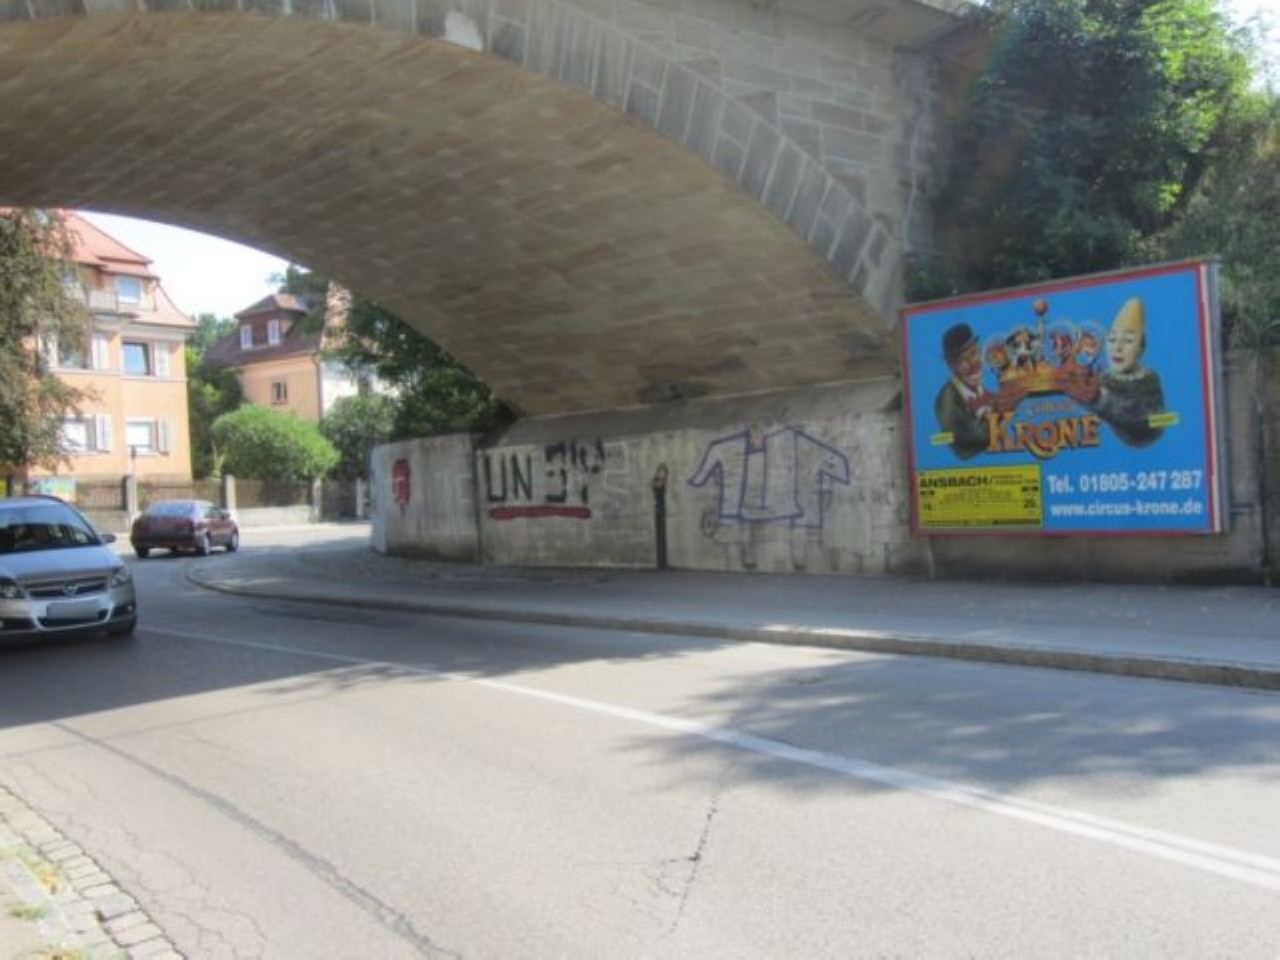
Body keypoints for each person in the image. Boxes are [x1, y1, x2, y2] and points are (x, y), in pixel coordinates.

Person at [1063, 298, 1165, 447]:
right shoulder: (1104, 378)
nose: (1117, 348)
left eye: (1128, 340)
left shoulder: (1150, 380)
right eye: (1112, 339)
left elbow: (1148, 420)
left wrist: (1098, 399)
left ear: (1141, 347)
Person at [934, 322, 1024, 460]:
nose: (974, 364)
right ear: (951, 366)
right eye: (963, 360)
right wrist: (1001, 411)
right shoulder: (946, 401)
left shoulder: (982, 391)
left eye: (974, 353)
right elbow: (966, 442)